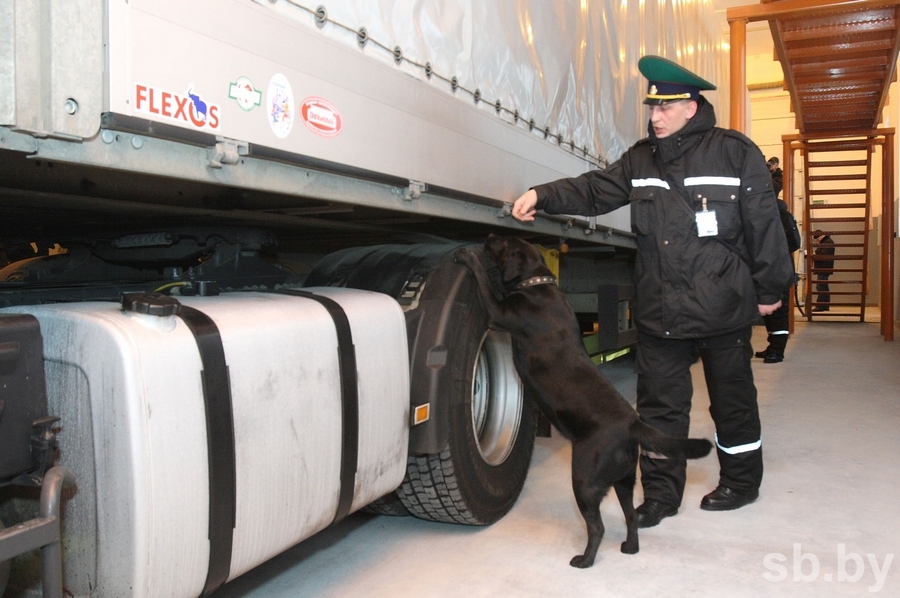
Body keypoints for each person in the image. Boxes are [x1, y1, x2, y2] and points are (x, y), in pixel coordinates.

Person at [511, 55, 794, 525]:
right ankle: (661, 497)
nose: (655, 117)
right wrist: (544, 195)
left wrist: (769, 288)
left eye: (666, 108)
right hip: (662, 309)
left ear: (692, 106)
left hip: (722, 305)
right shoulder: (642, 158)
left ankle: (741, 482)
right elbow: (595, 190)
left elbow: (765, 225)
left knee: (732, 400)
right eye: (652, 108)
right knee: (660, 410)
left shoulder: (735, 153)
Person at [755, 159, 796, 363]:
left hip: (777, 265)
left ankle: (777, 350)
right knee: (770, 311)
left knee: (778, 310)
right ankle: (773, 346)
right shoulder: (772, 210)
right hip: (768, 263)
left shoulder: (778, 212)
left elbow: (791, 242)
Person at [812, 230, 835, 311]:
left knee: (821, 287)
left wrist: (814, 255)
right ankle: (825, 305)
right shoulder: (827, 242)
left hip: (823, 267)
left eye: (817, 238)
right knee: (823, 286)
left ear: (821, 236)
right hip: (824, 267)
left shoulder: (827, 243)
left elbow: (822, 255)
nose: (817, 240)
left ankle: (821, 306)